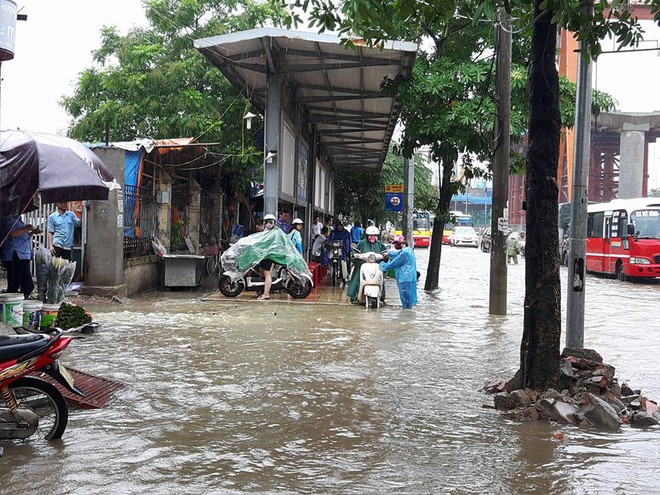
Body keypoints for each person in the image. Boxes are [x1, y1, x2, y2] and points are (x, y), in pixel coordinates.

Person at [0, 216, 41, 298]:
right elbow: (12, 234)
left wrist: (32, 232)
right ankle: (10, 301)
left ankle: (23, 299)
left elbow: (22, 238)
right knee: (15, 283)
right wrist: (26, 228)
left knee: (26, 283)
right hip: (15, 254)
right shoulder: (9, 220)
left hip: (23, 254)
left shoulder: (19, 220)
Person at [346, 225, 387, 303]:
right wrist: (355, 255)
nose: (372, 237)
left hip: (376, 265)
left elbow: (384, 251)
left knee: (380, 276)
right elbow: (355, 251)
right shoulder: (362, 243)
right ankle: (353, 295)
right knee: (357, 274)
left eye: (374, 235)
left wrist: (385, 255)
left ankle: (382, 296)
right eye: (370, 235)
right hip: (363, 264)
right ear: (367, 235)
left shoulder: (379, 244)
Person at [379, 234, 418, 309]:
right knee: (409, 301)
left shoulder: (404, 253)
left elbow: (394, 263)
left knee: (406, 302)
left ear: (400, 243)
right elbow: (397, 253)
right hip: (410, 278)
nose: (395, 246)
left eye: (396, 243)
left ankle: (406, 317)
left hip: (404, 279)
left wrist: (382, 266)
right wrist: (388, 253)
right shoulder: (408, 250)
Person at [257, 214, 277, 300]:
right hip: (264, 255)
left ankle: (266, 294)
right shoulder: (266, 231)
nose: (269, 224)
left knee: (267, 274)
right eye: (267, 222)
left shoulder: (274, 232)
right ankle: (262, 289)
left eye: (271, 222)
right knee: (261, 270)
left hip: (270, 256)